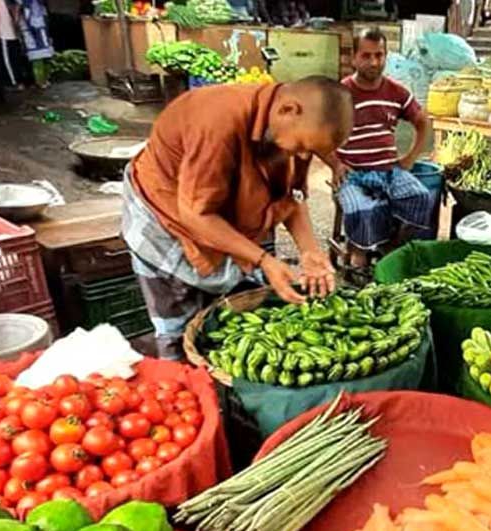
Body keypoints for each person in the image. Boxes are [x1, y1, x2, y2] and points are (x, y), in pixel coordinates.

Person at [122, 78, 349, 360]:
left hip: (217, 214)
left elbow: (293, 196)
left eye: (310, 151)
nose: (303, 155)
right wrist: (264, 260)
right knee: (178, 324)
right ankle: (186, 379)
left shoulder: (291, 129)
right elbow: (197, 214)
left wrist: (310, 250)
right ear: (288, 109)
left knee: (226, 315)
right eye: (302, 146)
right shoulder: (217, 121)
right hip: (168, 217)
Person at [326, 28, 433, 273]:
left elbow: (422, 121)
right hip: (352, 174)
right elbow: (315, 136)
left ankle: (390, 249)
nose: (374, 62)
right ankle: (359, 258)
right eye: (366, 56)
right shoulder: (340, 94)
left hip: (390, 170)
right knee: (363, 209)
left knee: (421, 198)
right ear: (353, 58)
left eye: (379, 55)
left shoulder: (397, 92)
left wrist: (410, 158)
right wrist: (335, 164)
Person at [16, 0, 53, 88]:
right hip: (29, 30)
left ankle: (45, 79)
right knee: (36, 58)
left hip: (42, 28)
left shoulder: (40, 4)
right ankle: (39, 81)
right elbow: (17, 10)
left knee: (46, 56)